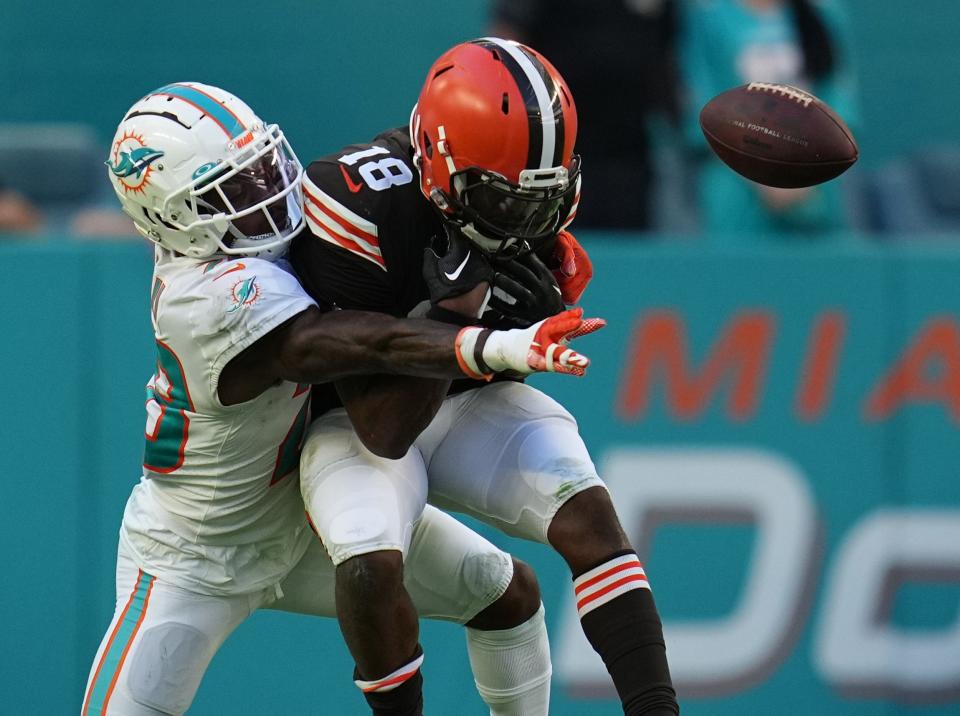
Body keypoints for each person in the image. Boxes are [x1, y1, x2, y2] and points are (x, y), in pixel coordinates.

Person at [82, 82, 603, 715]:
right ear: (171, 219)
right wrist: (491, 344)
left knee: (505, 595)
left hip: (300, 519)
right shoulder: (203, 295)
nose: (266, 197)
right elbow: (339, 343)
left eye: (262, 169)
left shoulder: (279, 241)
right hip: (196, 554)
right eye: (232, 193)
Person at [291, 38, 679, 716]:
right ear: (439, 165)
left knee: (590, 518)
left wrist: (522, 323)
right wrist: (456, 314)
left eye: (544, 199)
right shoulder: (354, 201)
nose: (527, 223)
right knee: (369, 561)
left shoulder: (506, 191)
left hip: (465, 401)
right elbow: (383, 429)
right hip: (358, 422)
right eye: (507, 202)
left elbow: (533, 273)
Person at [490, 0, 680, 231]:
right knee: (558, 247)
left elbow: (669, 46)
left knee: (630, 245)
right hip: (555, 151)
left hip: (631, 149)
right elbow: (508, 45)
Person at [680, 0, 858, 238]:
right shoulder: (708, 16)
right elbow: (702, 112)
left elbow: (840, 105)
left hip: (814, 195)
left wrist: (805, 174)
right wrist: (763, 176)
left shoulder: (823, 13)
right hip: (739, 196)